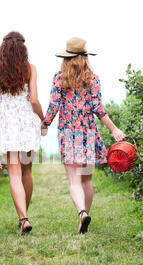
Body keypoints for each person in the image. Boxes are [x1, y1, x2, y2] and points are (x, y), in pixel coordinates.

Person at [41, 37, 126, 234]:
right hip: (88, 132)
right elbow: (98, 107)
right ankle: (84, 215)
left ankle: (81, 214)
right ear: (85, 56)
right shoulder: (93, 79)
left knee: (74, 180)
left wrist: (45, 124)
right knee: (87, 180)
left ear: (67, 57)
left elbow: (54, 105)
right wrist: (114, 129)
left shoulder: (60, 78)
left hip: (69, 132)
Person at [0, 31, 44, 235]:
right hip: (28, 124)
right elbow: (34, 100)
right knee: (27, 172)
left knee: (14, 175)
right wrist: (44, 120)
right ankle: (24, 217)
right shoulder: (30, 69)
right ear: (23, 49)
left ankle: (23, 218)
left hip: (7, 126)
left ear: (3, 48)